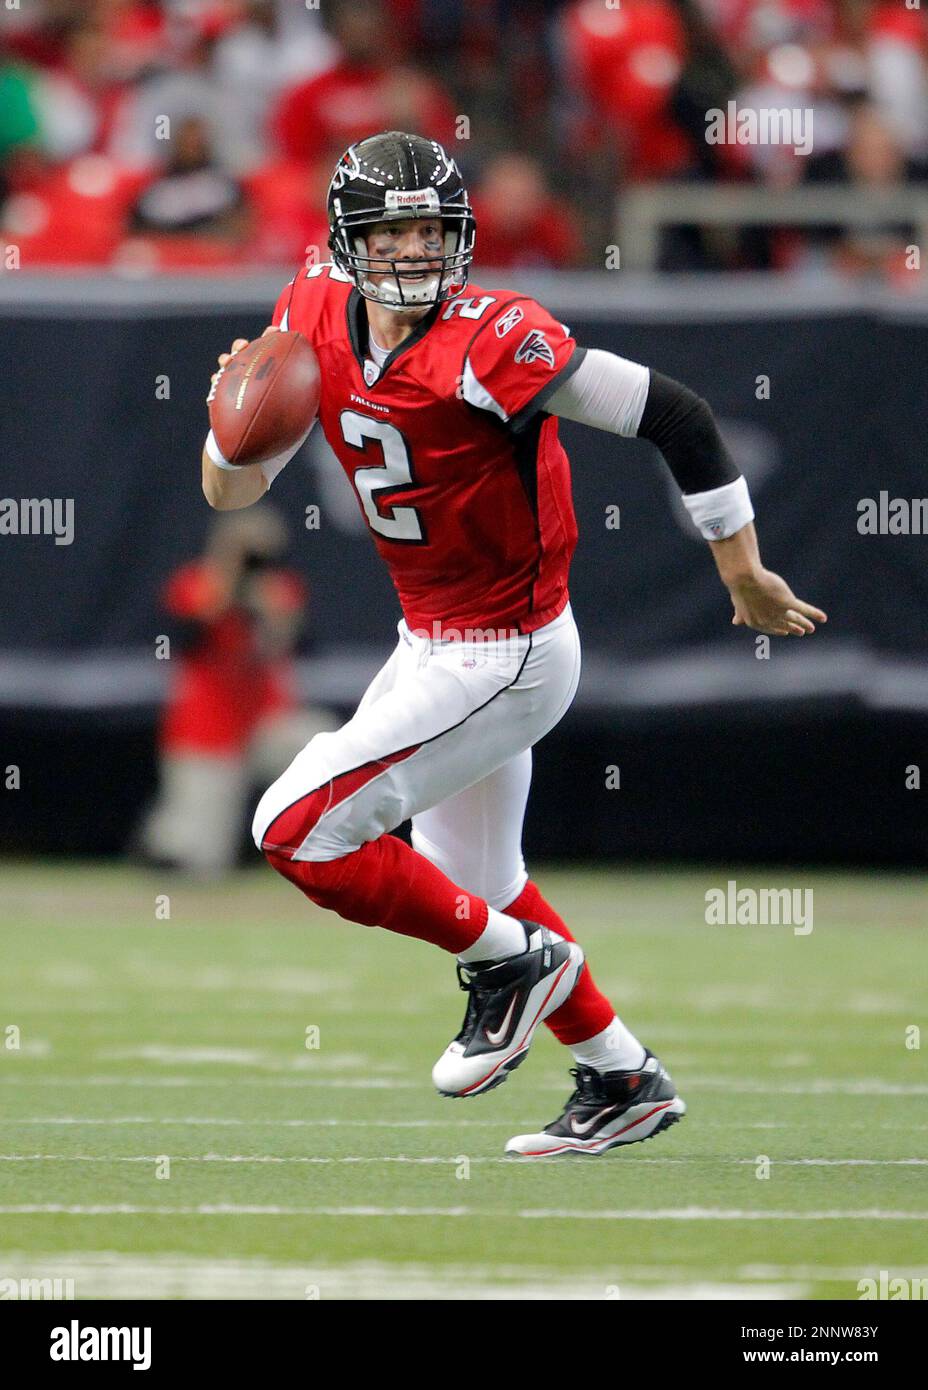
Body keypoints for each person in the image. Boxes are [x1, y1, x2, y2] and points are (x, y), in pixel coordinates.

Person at [201, 131, 827, 1157]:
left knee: (293, 828)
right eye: (391, 229)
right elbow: (230, 489)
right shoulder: (308, 306)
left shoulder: (493, 338)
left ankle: (512, 965)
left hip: (505, 652)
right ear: (344, 240)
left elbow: (677, 414)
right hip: (433, 639)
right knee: (481, 882)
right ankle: (623, 1076)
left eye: (428, 227)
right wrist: (228, 431)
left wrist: (740, 568)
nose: (412, 251)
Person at [139, 506, 335, 878]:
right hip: (207, 736)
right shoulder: (196, 585)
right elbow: (176, 640)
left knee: (323, 743)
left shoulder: (280, 592)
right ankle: (163, 833)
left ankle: (326, 848)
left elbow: (303, 647)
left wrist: (274, 616)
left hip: (266, 726)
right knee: (201, 861)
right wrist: (225, 590)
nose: (253, 565)